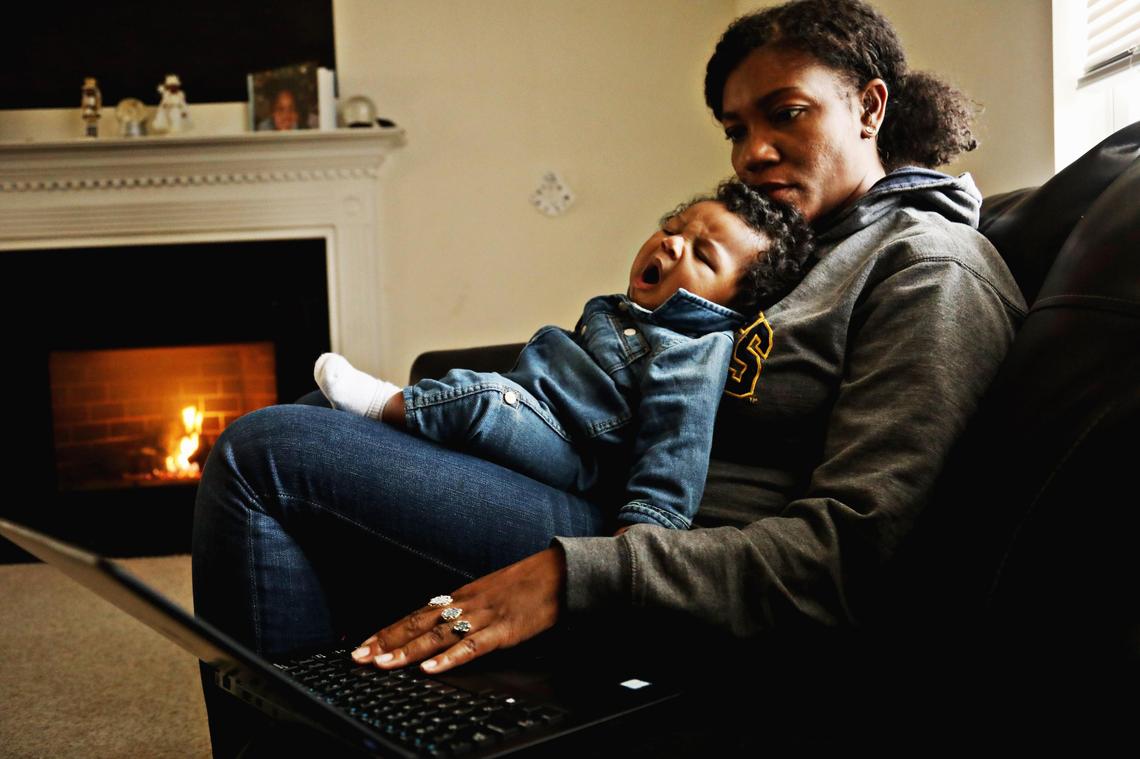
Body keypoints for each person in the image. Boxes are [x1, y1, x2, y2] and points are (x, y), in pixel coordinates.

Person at [191, 0, 1027, 753]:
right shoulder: (798, 250)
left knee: (266, 453)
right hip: (612, 503)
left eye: (786, 114)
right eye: (735, 129)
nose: (753, 152)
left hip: (661, 560)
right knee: (320, 420)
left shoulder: (929, 268)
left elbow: (849, 559)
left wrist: (575, 572)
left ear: (870, 107)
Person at [313, 180, 813, 536]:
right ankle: (391, 419)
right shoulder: (631, 313)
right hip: (544, 418)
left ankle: (384, 404)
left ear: (730, 305)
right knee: (324, 403)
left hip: (580, 458)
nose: (673, 242)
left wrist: (643, 530)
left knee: (488, 400)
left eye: (704, 256)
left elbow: (677, 442)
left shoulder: (693, 350)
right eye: (673, 227)